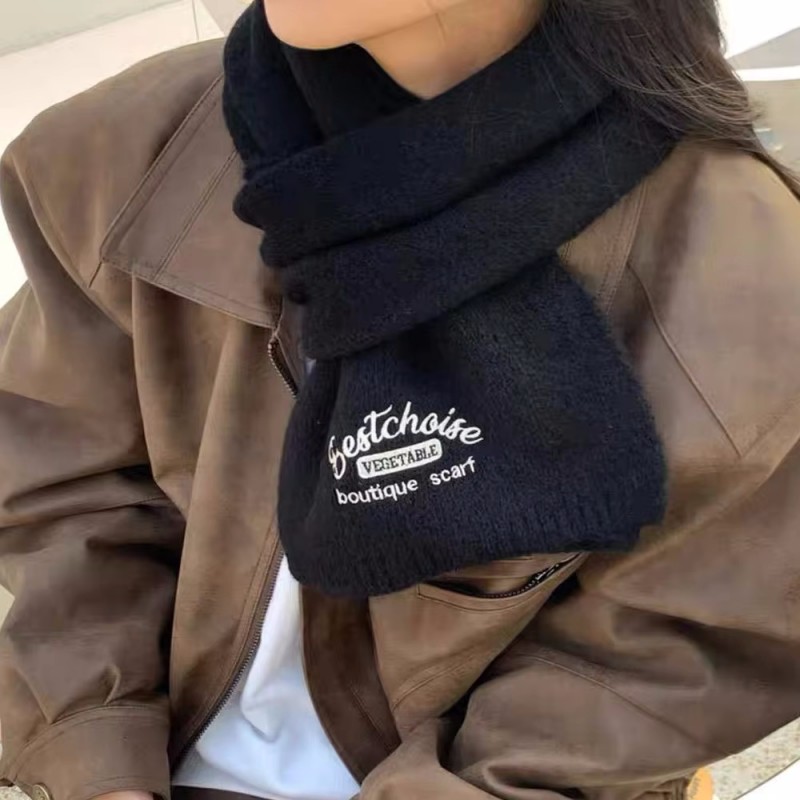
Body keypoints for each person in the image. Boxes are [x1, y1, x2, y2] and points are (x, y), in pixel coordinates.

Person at [0, 1, 799, 799]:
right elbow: (65, 488)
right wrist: (96, 755)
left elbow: (655, 663)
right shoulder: (124, 148)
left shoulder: (745, 273)